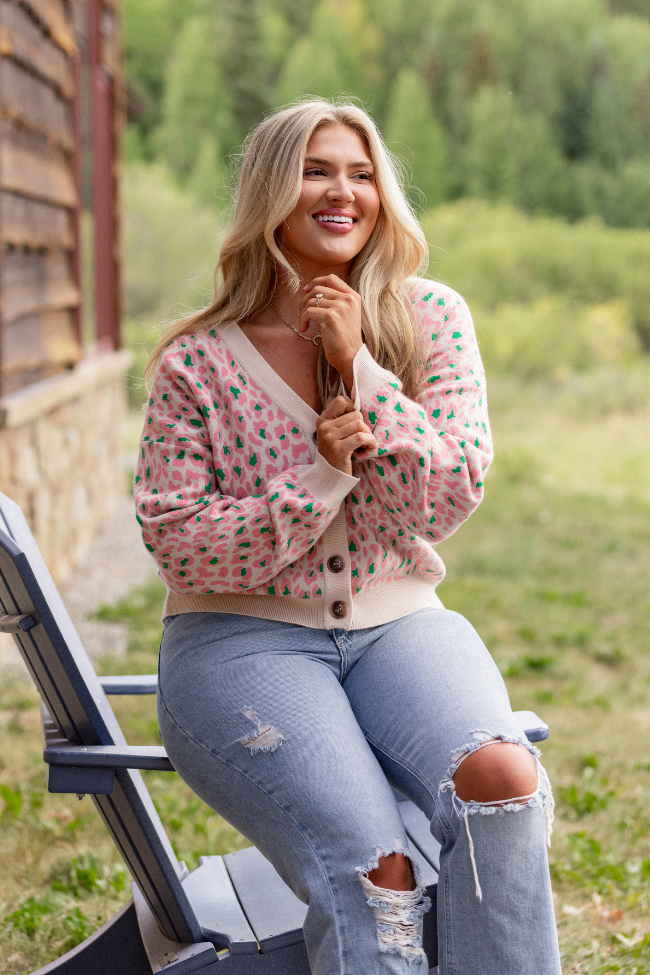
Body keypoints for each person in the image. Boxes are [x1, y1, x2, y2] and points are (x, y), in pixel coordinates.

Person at [135, 99, 561, 975]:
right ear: (270, 194)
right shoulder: (197, 360)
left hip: (399, 622)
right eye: (315, 171)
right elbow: (180, 541)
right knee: (378, 868)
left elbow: (447, 495)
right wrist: (318, 480)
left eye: (361, 174)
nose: (342, 192)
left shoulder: (432, 319)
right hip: (238, 642)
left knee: (504, 783)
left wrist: (362, 366)